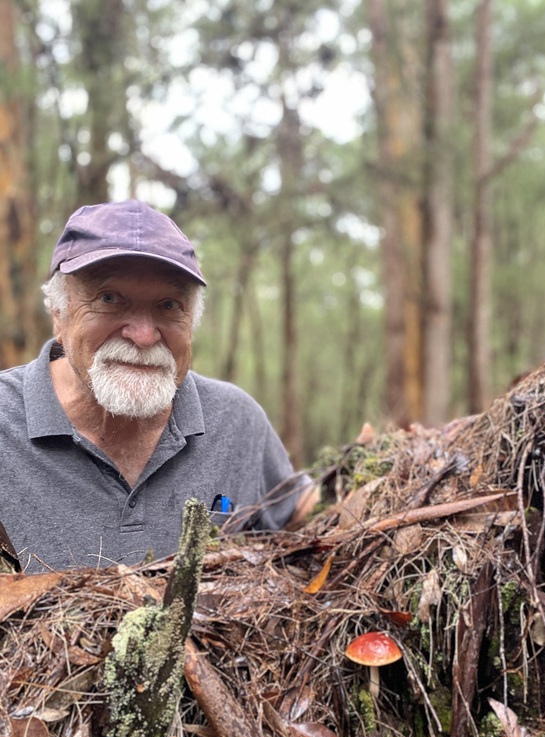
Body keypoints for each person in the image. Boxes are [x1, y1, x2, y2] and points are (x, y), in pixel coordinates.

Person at [0, 199, 313, 572]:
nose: (145, 336)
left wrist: (362, 477)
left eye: (168, 305)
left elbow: (304, 524)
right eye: (110, 298)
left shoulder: (236, 421)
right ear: (59, 314)